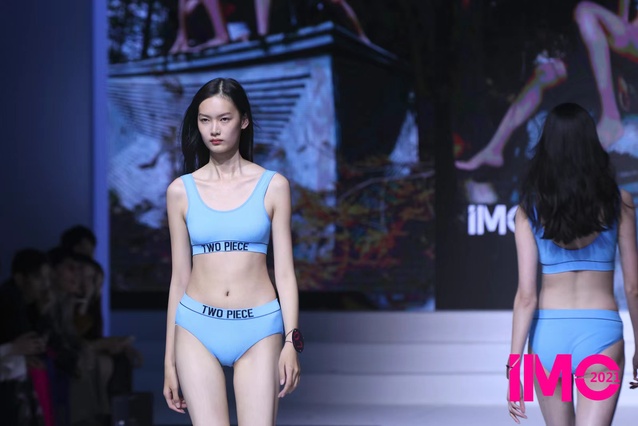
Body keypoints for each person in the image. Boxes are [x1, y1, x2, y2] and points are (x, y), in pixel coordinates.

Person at [162, 77, 302, 425]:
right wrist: (168, 361)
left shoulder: (273, 186)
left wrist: (291, 341)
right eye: (205, 120)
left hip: (259, 327)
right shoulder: (180, 191)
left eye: (224, 119)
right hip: (196, 326)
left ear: (244, 120)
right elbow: (179, 278)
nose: (214, 129)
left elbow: (285, 273)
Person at [507, 103, 638, 425]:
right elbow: (634, 287)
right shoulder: (619, 202)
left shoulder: (528, 210)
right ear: (591, 145)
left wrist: (514, 369)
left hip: (548, 340)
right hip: (601, 337)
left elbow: (526, 296)